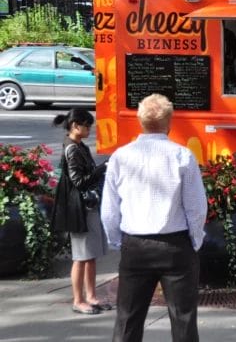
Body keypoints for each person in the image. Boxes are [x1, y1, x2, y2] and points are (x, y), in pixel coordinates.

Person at [101, 93, 207, 342]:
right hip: (175, 244)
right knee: (183, 320)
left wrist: (118, 241)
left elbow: (109, 209)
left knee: (127, 319)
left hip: (135, 244)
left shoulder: (120, 156)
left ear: (140, 121)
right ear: (169, 122)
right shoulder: (182, 156)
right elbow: (196, 207)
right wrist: (195, 240)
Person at [50, 108, 110, 315]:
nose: (89, 129)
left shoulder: (78, 145)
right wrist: (103, 168)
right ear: (76, 125)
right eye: (87, 125)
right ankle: (78, 300)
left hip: (87, 207)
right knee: (81, 257)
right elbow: (79, 182)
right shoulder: (72, 149)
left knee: (90, 255)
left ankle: (91, 296)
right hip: (79, 209)